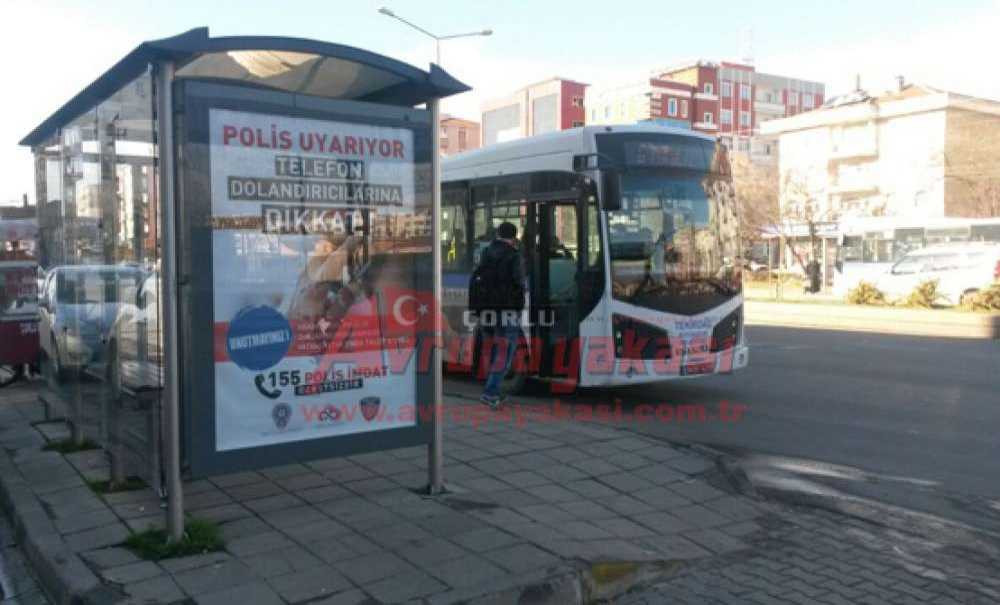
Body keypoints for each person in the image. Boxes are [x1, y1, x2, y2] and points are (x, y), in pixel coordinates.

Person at [469, 221, 526, 408]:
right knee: (504, 352)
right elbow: (519, 283)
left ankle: (491, 387)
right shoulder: (513, 256)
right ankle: (490, 392)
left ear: (498, 234)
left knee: (492, 349)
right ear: (513, 237)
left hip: (486, 310)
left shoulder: (486, 253)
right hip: (506, 311)